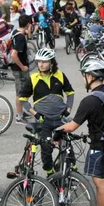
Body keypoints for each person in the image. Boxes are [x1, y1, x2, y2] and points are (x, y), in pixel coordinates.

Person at [58, 58, 104, 206]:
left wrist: (57, 131)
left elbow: (72, 126)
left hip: (100, 147)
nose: (84, 79)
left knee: (100, 185)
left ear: (90, 77)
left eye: (84, 76)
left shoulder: (90, 100)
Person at [19, 48, 75, 176]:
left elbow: (70, 93)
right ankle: (50, 173)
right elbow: (23, 99)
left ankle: (73, 169)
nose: (41, 64)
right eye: (39, 61)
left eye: (44, 62)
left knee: (67, 144)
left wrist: (68, 109)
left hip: (60, 117)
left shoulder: (59, 75)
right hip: (44, 120)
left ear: (51, 63)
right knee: (46, 147)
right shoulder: (33, 78)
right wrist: (35, 114)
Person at [10, 15, 31, 124]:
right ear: (28, 24)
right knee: (20, 92)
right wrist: (22, 67)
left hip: (17, 68)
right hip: (19, 69)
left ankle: (22, 112)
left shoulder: (15, 32)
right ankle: (19, 116)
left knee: (23, 91)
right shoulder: (20, 37)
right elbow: (14, 55)